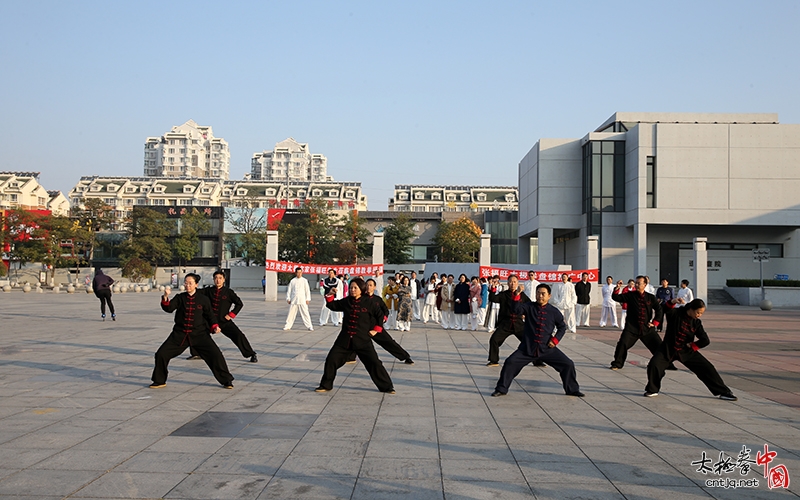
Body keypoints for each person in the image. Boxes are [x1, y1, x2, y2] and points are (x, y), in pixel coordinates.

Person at [492, 283, 584, 398]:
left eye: (543, 294)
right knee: (510, 363)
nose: (540, 296)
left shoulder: (554, 311)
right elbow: (516, 310)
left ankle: (572, 389)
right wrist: (517, 294)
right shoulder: (529, 306)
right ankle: (501, 389)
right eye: (538, 293)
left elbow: (562, 327)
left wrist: (555, 340)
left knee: (568, 364)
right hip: (527, 348)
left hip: (546, 348)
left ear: (549, 296)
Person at [150, 273, 234, 389]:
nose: (187, 285)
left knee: (216, 355)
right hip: (180, 334)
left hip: (200, 334)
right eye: (186, 283)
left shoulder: (203, 299)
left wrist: (215, 326)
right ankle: (159, 381)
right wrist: (165, 297)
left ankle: (227, 381)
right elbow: (169, 308)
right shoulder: (180, 298)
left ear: (196, 285)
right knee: (161, 354)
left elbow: (210, 315)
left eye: (190, 283)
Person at [644, 298, 737, 401]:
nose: (699, 315)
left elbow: (705, 340)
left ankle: (723, 392)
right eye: (698, 312)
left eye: (701, 313)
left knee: (707, 368)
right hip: (668, 349)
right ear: (691, 309)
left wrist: (693, 346)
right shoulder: (676, 314)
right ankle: (653, 389)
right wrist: (673, 301)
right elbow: (665, 308)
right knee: (654, 365)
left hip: (686, 350)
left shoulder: (696, 323)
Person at [315, 278, 395, 394]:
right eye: (351, 287)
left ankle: (387, 387)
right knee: (331, 360)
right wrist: (330, 295)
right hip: (345, 340)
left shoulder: (369, 303)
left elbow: (380, 315)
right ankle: (326, 385)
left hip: (362, 340)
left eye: (355, 288)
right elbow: (332, 305)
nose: (352, 290)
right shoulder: (347, 301)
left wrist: (376, 329)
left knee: (374, 363)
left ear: (361, 289)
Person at [188, 270, 257, 363]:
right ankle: (196, 353)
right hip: (209, 321)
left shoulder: (228, 292)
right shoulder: (208, 291)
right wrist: (195, 281)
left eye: (220, 278)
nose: (218, 280)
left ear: (224, 280)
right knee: (195, 332)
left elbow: (239, 304)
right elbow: (195, 292)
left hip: (223, 321)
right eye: (216, 278)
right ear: (213, 279)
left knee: (238, 336)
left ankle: (251, 354)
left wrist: (231, 314)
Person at [610, 275, 668, 370]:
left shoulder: (650, 297)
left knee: (659, 346)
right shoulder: (630, 295)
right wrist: (617, 288)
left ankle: (666, 364)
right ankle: (617, 364)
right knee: (622, 344)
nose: (636, 285)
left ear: (645, 284)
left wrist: (655, 323)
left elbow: (659, 310)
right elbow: (616, 297)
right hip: (631, 328)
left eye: (639, 283)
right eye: (636, 283)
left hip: (646, 328)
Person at [486, 275, 530, 366]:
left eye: (514, 282)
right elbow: (493, 298)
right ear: (507, 283)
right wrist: (493, 288)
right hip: (505, 323)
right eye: (510, 282)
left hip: (518, 324)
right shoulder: (503, 294)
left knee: (530, 341)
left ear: (517, 283)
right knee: (494, 340)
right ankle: (494, 360)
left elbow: (529, 305)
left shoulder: (522, 295)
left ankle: (537, 361)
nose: (512, 284)